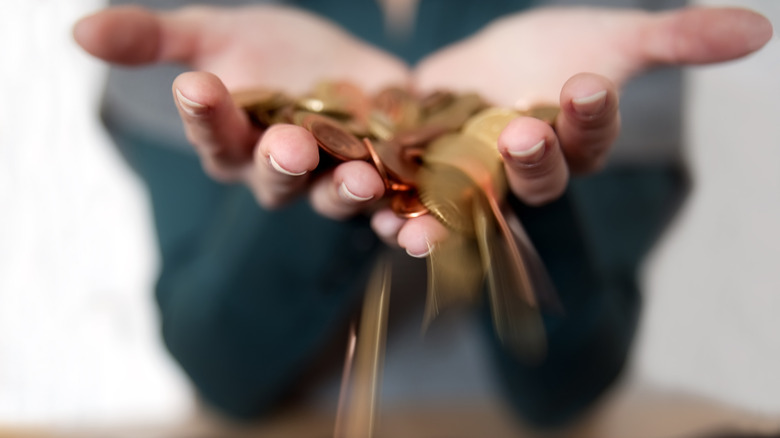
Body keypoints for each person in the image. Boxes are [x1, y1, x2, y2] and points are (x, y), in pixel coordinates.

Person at [73, 0, 772, 429]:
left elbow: (568, 384)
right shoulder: (197, 20)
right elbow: (223, 368)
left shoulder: (607, 21)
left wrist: (510, 183)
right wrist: (327, 177)